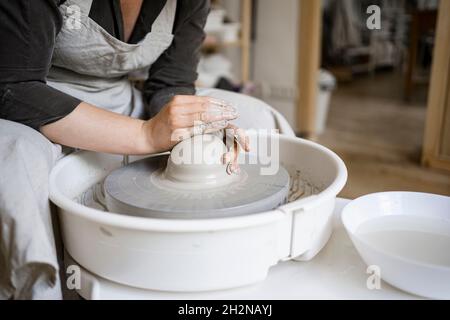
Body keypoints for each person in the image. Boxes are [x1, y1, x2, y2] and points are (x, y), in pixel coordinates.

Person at [0, 0, 289, 299]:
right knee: (13, 163)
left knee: (257, 120)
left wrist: (197, 125)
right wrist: (145, 135)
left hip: (119, 97)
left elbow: (172, 82)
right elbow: (13, 88)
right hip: (29, 106)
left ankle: (257, 257)